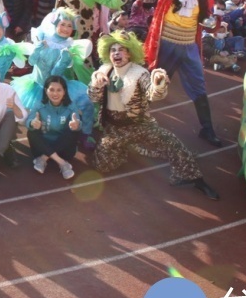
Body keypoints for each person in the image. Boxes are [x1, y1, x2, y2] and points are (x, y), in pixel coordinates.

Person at [89, 31, 219, 199]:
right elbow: (93, 98)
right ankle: (125, 150)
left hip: (140, 125)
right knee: (102, 166)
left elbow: (152, 94)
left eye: (121, 49)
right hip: (114, 129)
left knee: (172, 142)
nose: (116, 53)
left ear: (130, 53)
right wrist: (96, 85)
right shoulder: (103, 71)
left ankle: (194, 179)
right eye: (113, 50)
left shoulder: (139, 73)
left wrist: (158, 83)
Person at [140, 0, 223, 146]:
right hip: (165, 44)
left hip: (188, 46)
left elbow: (207, 22)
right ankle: (135, 121)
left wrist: (213, 25)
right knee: (153, 81)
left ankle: (207, 129)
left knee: (198, 86)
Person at [24, 74, 95, 180]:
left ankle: (43, 159)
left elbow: (78, 125)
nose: (55, 93)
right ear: (46, 90)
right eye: (51, 90)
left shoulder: (71, 106)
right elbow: (28, 121)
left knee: (73, 131)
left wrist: (76, 125)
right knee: (31, 132)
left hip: (64, 150)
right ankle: (62, 164)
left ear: (64, 91)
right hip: (41, 147)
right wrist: (32, 123)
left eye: (59, 90)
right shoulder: (39, 105)